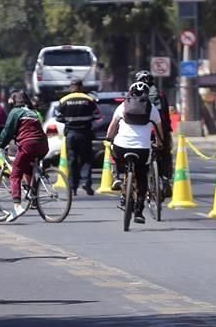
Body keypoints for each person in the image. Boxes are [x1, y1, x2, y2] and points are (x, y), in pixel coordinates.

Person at [106, 82, 164, 224]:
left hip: (121, 147)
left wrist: (109, 138)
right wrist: (160, 143)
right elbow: (159, 133)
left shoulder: (122, 106)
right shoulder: (152, 109)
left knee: (121, 165)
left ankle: (119, 180)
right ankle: (138, 211)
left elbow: (111, 129)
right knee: (142, 176)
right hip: (142, 149)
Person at [0, 90, 49, 221]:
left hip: (28, 144)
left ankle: (17, 206)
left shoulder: (15, 112)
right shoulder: (32, 112)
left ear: (13, 101)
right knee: (28, 168)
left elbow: (7, 131)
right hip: (43, 145)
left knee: (15, 174)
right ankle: (32, 195)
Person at [55, 79, 101, 196]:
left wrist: (69, 120)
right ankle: (87, 182)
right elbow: (97, 115)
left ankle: (72, 186)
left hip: (71, 134)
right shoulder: (89, 99)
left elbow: (58, 117)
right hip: (85, 133)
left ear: (71, 87)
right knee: (86, 159)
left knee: (72, 160)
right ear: (81, 87)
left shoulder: (64, 100)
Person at [133, 70, 173, 197]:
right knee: (164, 153)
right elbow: (166, 116)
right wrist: (167, 132)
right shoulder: (160, 94)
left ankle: (128, 181)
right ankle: (165, 179)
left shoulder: (134, 94)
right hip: (160, 130)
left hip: (140, 131)